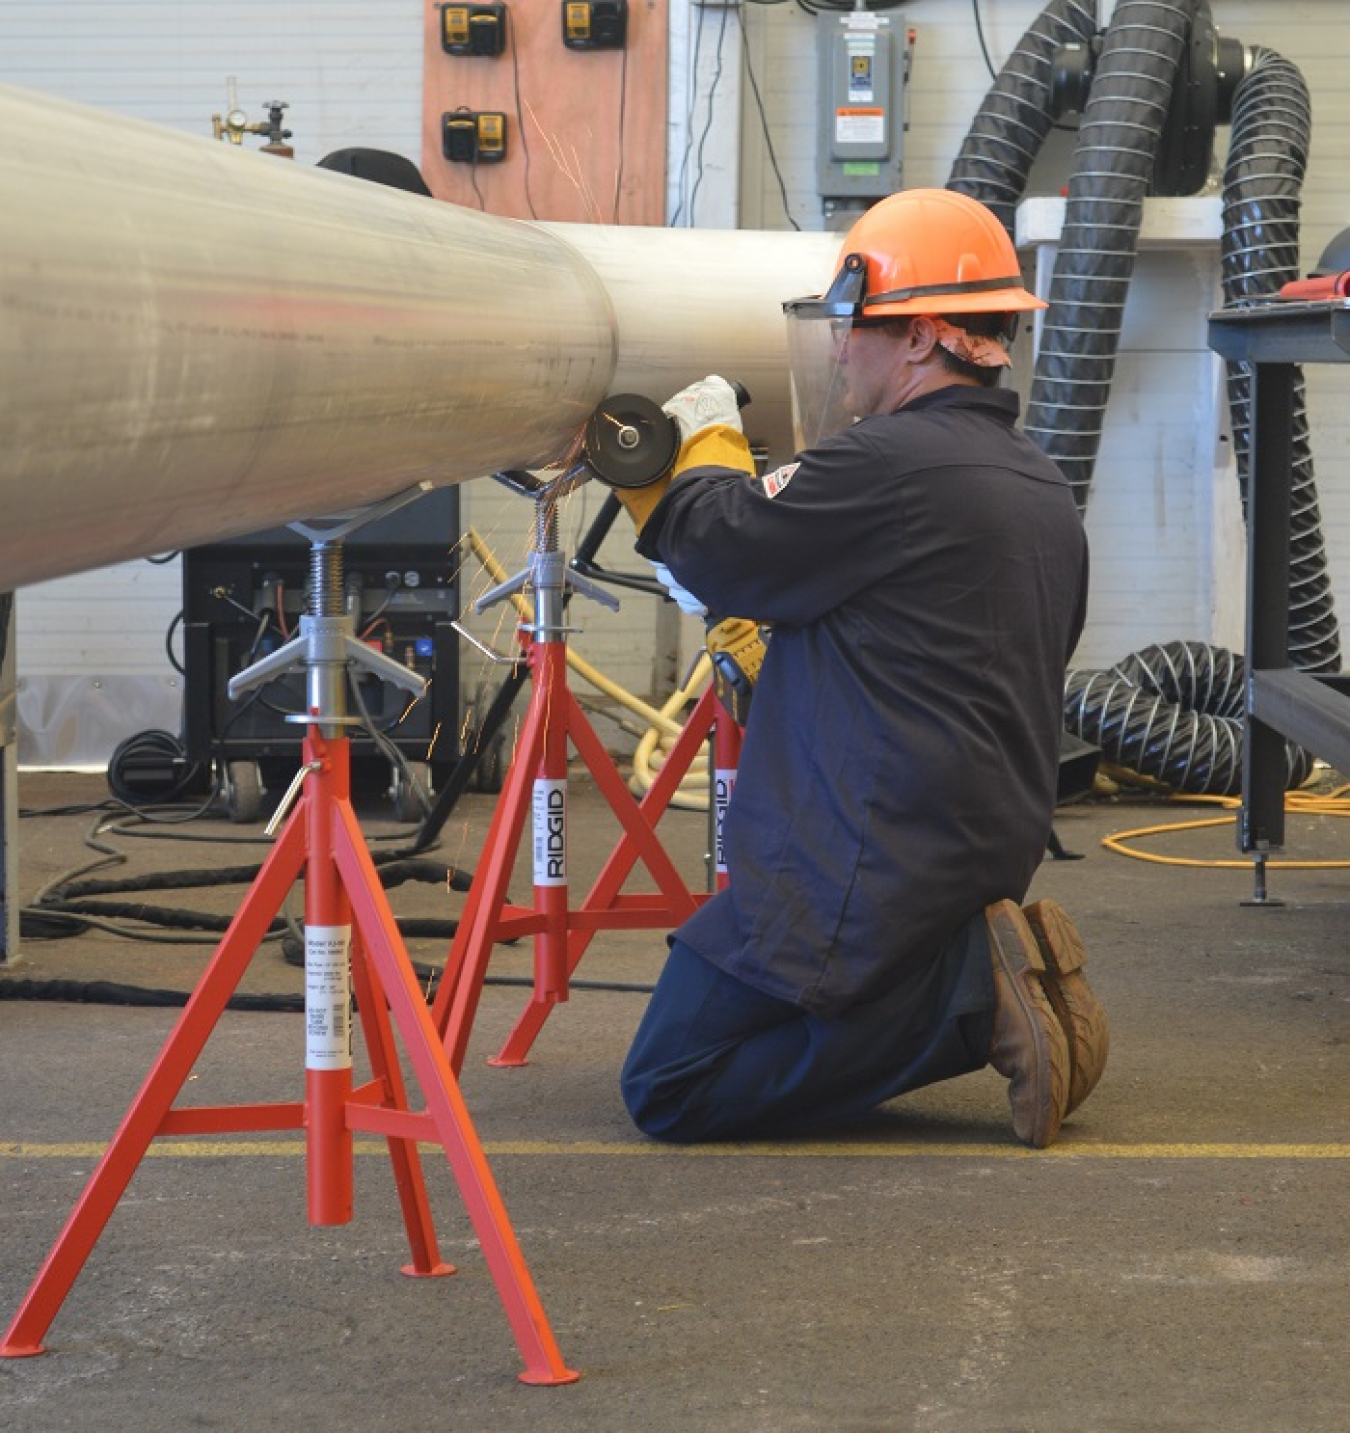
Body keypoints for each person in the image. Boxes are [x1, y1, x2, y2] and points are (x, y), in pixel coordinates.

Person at [617, 188, 1106, 1149]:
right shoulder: (1036, 479)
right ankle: (965, 970)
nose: (841, 348)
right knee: (747, 1033)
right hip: (972, 848)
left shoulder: (883, 463)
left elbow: (715, 543)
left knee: (671, 1081)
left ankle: (973, 998)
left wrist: (704, 449)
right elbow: (918, 646)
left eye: (856, 326)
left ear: (923, 337)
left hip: (865, 864)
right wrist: (792, 660)